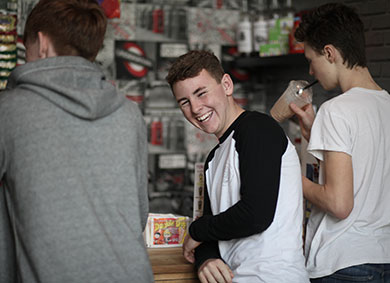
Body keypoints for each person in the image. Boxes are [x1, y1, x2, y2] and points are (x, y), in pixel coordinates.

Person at [0, 0, 154, 282]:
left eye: (27, 49)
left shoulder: (8, 111)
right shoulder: (129, 114)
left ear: (42, 43)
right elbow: (138, 213)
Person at [287, 3, 390, 282]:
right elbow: (366, 178)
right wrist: (313, 135)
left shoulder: (336, 110)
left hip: (342, 264)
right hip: (388, 263)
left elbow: (339, 203)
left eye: (311, 59)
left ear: (330, 53)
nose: (310, 70)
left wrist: (290, 175)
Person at [166, 50, 309, 283]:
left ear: (226, 85)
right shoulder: (214, 158)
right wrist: (206, 259)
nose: (195, 108)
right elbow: (213, 226)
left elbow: (256, 215)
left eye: (201, 93)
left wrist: (196, 231)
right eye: (185, 102)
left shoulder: (258, 129)